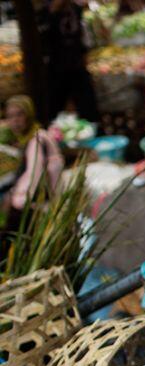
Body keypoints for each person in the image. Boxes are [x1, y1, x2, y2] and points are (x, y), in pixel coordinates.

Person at [1, 95, 64, 230]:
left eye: (20, 114)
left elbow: (33, 176)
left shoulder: (37, 140)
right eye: (10, 116)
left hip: (39, 205)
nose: (15, 121)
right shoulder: (25, 138)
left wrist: (16, 198)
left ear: (29, 115)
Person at [45, 0, 99, 122]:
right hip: (57, 68)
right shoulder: (47, 12)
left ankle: (93, 132)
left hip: (77, 66)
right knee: (54, 107)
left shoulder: (76, 9)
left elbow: (82, 40)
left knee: (88, 108)